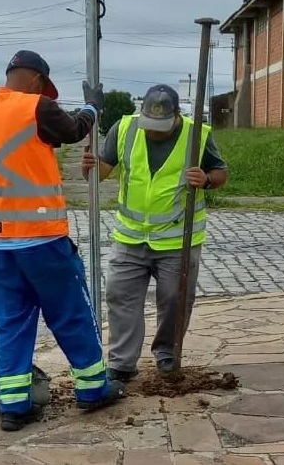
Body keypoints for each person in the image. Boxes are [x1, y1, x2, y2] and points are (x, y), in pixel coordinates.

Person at [0, 50, 126, 432]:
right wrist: (92, 107)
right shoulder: (36, 107)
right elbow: (72, 129)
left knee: (11, 322)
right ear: (37, 80)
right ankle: (92, 388)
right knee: (70, 312)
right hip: (40, 238)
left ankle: (13, 406)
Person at [81, 84, 228, 382]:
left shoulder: (196, 134)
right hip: (130, 237)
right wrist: (89, 166)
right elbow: (100, 173)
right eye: (149, 124)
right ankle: (122, 363)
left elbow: (220, 173)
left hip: (177, 239)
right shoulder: (125, 129)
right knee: (120, 297)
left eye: (161, 126)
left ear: (176, 116)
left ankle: (167, 353)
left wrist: (206, 179)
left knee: (175, 300)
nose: (153, 131)